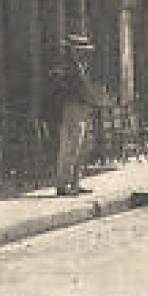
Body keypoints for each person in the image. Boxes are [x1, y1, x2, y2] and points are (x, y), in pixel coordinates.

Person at [48, 34, 102, 196]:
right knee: (70, 147)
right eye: (80, 51)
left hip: (82, 109)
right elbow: (61, 87)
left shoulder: (80, 66)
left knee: (81, 149)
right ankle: (63, 185)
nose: (84, 54)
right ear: (73, 51)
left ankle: (75, 183)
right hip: (72, 109)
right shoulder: (67, 67)